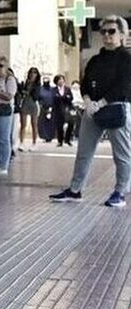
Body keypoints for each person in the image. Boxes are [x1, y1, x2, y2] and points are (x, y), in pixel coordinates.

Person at [50, 16, 131, 207]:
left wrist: (101, 102)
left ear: (121, 34)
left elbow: (125, 86)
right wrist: (87, 100)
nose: (106, 35)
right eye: (103, 32)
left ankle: (120, 192)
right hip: (92, 110)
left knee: (122, 154)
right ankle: (75, 190)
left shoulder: (126, 58)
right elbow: (85, 82)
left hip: (115, 109)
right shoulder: (95, 59)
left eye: (111, 31)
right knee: (84, 152)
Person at [18, 67, 42, 149]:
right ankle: (21, 142)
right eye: (31, 72)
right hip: (25, 103)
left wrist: (27, 92)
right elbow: (22, 93)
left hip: (33, 104)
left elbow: (36, 96)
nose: (33, 74)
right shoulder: (26, 82)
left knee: (34, 124)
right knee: (23, 124)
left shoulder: (38, 84)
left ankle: (34, 143)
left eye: (35, 72)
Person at [54, 74, 75, 146]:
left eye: (62, 79)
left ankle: (68, 139)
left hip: (67, 108)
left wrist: (65, 97)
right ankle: (60, 141)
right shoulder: (54, 90)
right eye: (59, 79)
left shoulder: (67, 89)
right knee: (59, 125)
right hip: (58, 109)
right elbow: (54, 98)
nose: (61, 81)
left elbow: (71, 97)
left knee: (70, 124)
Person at [37, 76, 56, 142]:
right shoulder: (40, 89)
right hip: (43, 108)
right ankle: (44, 136)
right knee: (42, 123)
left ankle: (50, 136)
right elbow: (38, 98)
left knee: (51, 123)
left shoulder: (52, 89)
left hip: (52, 108)